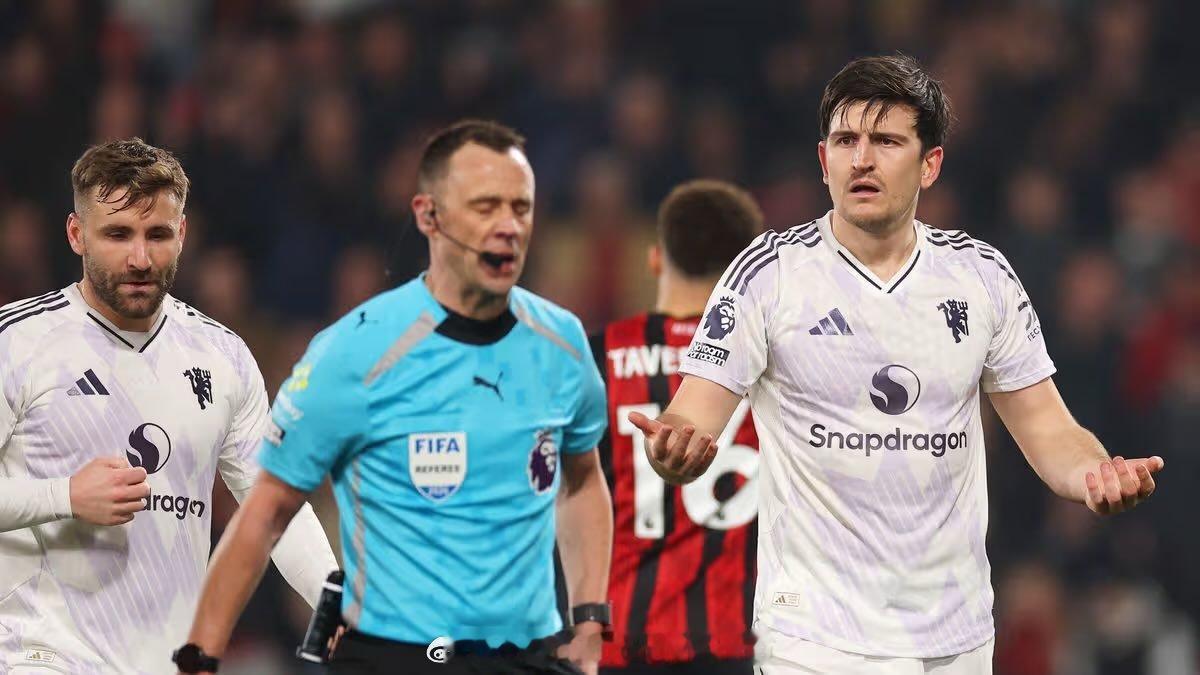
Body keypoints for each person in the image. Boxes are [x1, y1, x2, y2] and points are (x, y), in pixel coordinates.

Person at [627, 55, 1165, 673]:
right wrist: (673, 449)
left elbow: (1047, 427)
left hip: (955, 638)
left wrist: (1096, 472)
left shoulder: (980, 277)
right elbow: (691, 415)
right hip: (813, 641)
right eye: (845, 141)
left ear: (929, 164)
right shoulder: (768, 275)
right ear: (823, 159)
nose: (862, 159)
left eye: (885, 141)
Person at [178, 120, 613, 675]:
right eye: (485, 207)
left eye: (520, 208)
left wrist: (590, 619)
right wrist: (199, 656)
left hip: (526, 656)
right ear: (428, 216)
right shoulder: (355, 352)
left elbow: (582, 480)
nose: (508, 226)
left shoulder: (563, 344)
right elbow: (265, 511)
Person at [0, 138, 337, 674]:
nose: (140, 258)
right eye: (117, 234)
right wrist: (64, 495)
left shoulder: (223, 357)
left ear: (182, 234)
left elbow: (275, 507)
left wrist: (334, 605)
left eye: (156, 235)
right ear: (76, 234)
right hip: (40, 656)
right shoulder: (17, 342)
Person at [590, 180, 763, 675]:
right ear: (747, 273)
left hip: (618, 643)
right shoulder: (770, 371)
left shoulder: (595, 358)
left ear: (654, 259)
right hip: (740, 645)